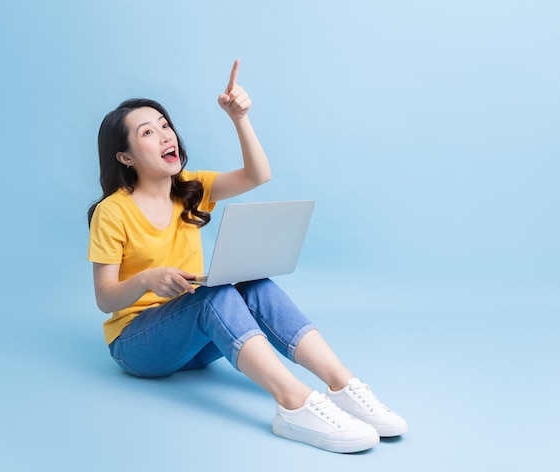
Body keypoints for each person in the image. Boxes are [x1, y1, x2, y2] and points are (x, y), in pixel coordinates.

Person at [87, 60, 407, 453]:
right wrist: (146, 280)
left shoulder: (191, 187)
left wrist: (240, 118)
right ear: (125, 157)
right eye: (147, 132)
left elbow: (258, 174)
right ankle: (294, 405)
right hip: (138, 344)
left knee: (253, 282)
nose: (165, 135)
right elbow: (105, 299)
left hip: (195, 342)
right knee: (214, 296)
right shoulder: (113, 212)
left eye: (164, 125)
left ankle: (343, 385)